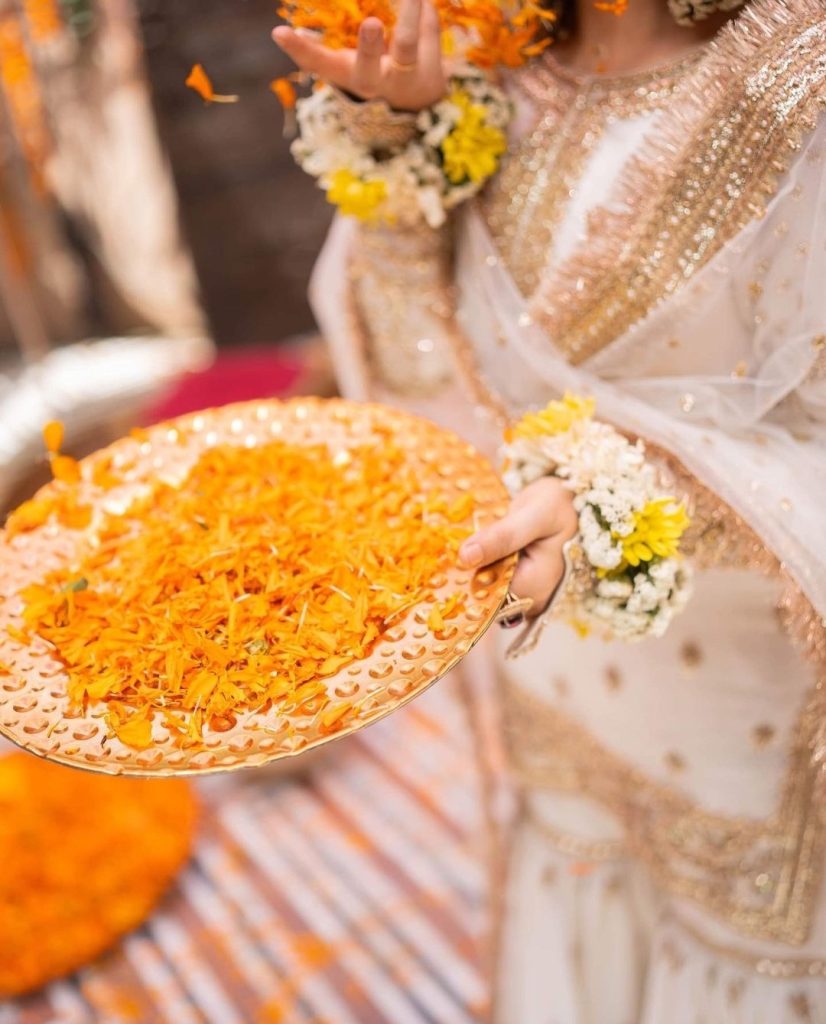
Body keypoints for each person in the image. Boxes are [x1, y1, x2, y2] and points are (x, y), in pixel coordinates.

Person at [274, 0, 826, 1019]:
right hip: (549, 677)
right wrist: (399, 149)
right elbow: (414, 382)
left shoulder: (801, 78)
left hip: (739, 721)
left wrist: (622, 505)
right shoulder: (487, 55)